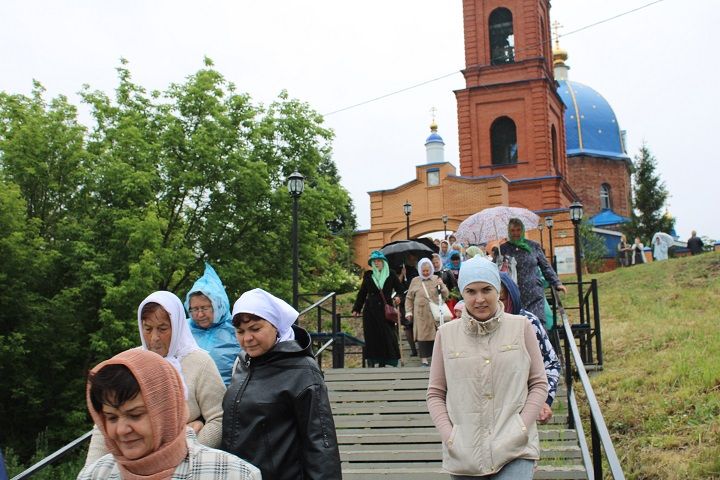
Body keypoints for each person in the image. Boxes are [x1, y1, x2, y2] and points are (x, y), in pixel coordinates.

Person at [427, 257, 547, 478]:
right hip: (464, 454)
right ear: (462, 293)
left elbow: (539, 383)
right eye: (471, 291)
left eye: (486, 290)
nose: (479, 299)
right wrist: (450, 436)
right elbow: (435, 393)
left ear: (498, 290)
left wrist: (521, 426)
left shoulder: (522, 327)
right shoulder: (445, 335)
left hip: (515, 449)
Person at [86, 291, 225, 465]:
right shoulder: (129, 363)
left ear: (178, 326)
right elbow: (105, 420)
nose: (154, 338)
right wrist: (90, 469)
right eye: (148, 328)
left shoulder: (200, 362)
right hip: (133, 465)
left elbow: (218, 419)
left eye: (163, 328)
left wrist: (187, 450)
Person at [78, 349, 260, 479]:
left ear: (166, 413)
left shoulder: (233, 474)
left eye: (135, 415)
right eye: (111, 418)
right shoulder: (95, 475)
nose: (121, 430)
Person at [222, 288, 341, 479]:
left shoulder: (302, 371)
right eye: (240, 331)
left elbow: (321, 444)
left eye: (255, 329)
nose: (247, 338)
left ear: (276, 326)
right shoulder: (243, 364)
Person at [499, 272, 560, 424]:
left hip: (521, 413)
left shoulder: (528, 323)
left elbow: (550, 363)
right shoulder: (469, 328)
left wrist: (545, 400)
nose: (497, 305)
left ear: (512, 297)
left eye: (501, 299)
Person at [500, 218, 566, 326]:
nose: (516, 233)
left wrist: (557, 283)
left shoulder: (533, 246)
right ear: (509, 231)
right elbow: (496, 270)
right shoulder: (503, 249)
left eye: (518, 230)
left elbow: (545, 267)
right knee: (517, 325)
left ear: (522, 231)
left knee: (538, 324)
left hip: (534, 294)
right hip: (514, 295)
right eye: (512, 230)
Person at [185, 263, 242, 385]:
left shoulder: (237, 329)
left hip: (224, 399)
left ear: (218, 306)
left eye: (205, 308)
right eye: (194, 309)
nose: (200, 315)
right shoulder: (183, 329)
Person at [352, 251, 404, 367]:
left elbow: (400, 290)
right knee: (372, 336)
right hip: (370, 310)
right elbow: (362, 293)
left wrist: (398, 297)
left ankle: (389, 360)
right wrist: (357, 308)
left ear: (384, 262)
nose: (376, 263)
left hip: (386, 310)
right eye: (374, 262)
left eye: (379, 261)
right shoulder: (368, 275)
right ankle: (373, 360)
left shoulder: (391, 274)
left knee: (388, 335)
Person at [405, 258, 449, 367]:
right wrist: (408, 312)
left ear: (431, 269)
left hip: (434, 313)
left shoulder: (436, 279)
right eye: (423, 271)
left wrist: (442, 285)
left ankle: (437, 360)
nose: (425, 273)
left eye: (427, 270)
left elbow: (446, 295)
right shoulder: (415, 281)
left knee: (437, 336)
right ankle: (424, 360)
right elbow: (409, 298)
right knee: (422, 336)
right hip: (420, 313)